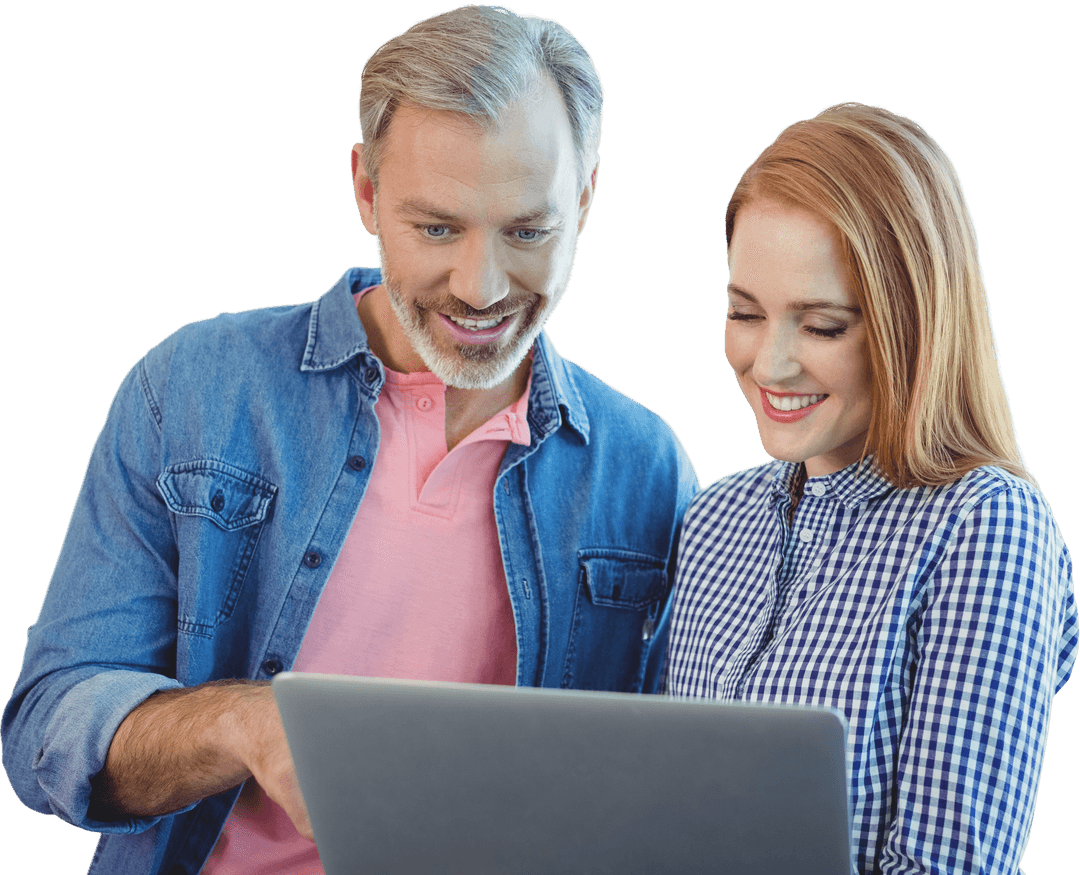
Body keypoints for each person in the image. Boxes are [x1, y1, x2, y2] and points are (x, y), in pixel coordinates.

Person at [1, 6, 698, 874]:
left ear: (586, 197)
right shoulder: (189, 391)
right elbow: (47, 727)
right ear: (366, 188)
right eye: (437, 227)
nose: (481, 287)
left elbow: (674, 788)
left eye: (528, 230)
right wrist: (246, 723)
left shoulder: (647, 470)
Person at [665, 102, 1077, 875]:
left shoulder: (985, 527)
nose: (771, 363)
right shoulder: (714, 518)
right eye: (745, 312)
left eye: (822, 326)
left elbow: (947, 869)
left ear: (910, 325)